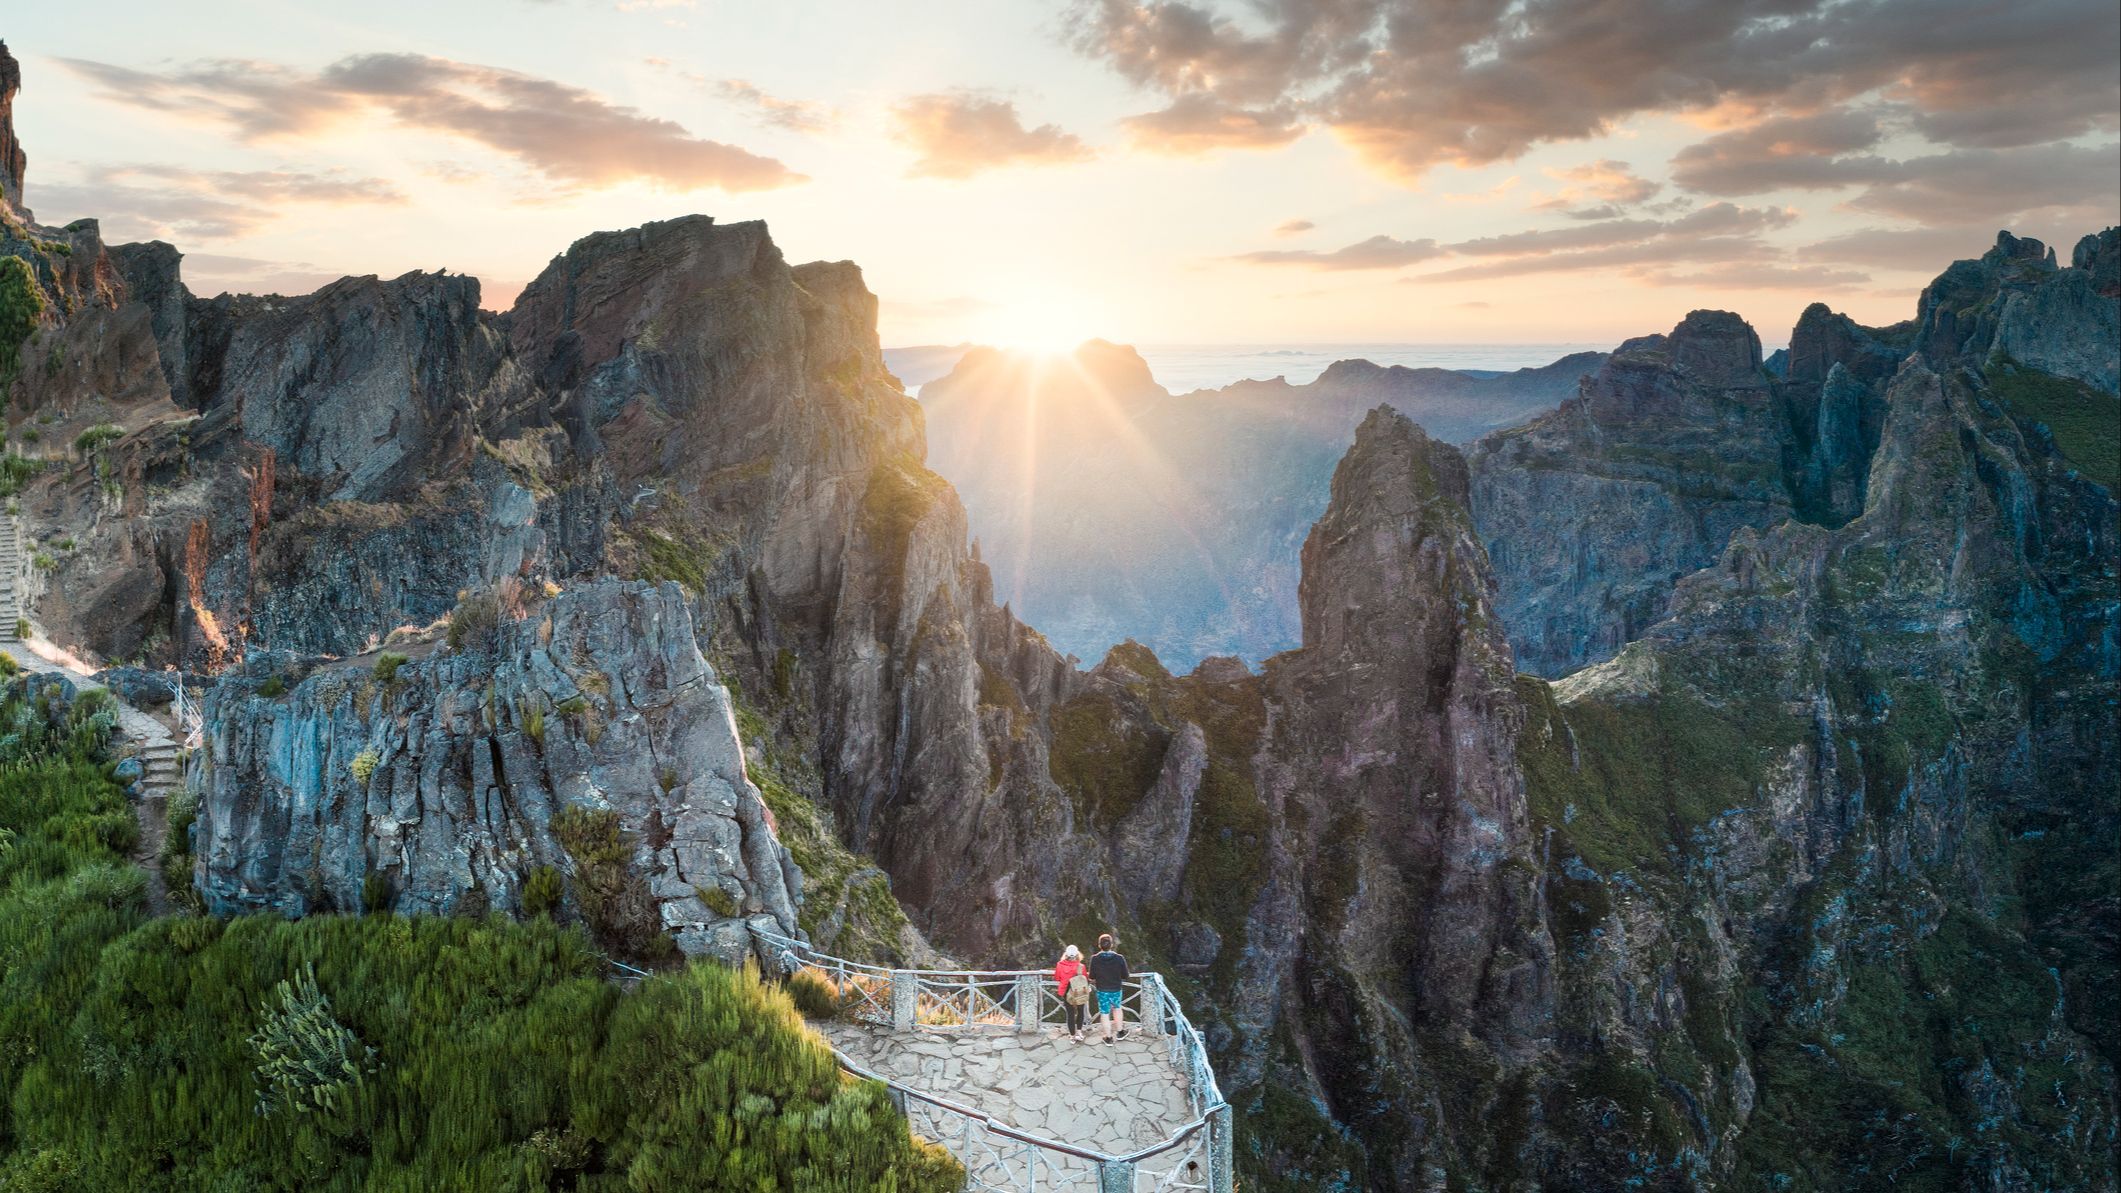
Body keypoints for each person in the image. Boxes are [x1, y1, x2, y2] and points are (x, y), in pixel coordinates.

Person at [1088, 933, 1129, 1043]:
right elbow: (1125, 975)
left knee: (1105, 1013)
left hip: (1102, 990)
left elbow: (1091, 976)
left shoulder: (1095, 959)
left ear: (1099, 945)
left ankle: (1108, 1037)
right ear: (1111, 945)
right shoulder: (1119, 958)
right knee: (1117, 1008)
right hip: (1116, 989)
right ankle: (1120, 1032)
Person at [1054, 944, 1091, 1042]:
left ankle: (1072, 1036)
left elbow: (1057, 978)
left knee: (1070, 1014)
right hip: (1079, 992)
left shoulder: (1059, 965)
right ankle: (1079, 1032)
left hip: (1066, 992)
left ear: (1065, 954)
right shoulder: (1081, 966)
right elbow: (1085, 979)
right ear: (1077, 954)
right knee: (1080, 1011)